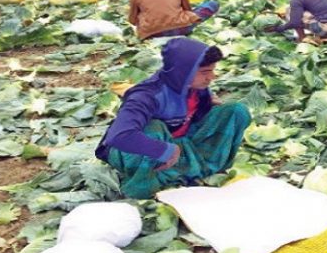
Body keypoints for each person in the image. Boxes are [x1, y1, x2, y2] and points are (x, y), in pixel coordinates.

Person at [95, 38, 252, 199]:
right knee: (154, 127)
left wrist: (208, 105)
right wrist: (166, 150)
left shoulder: (194, 87)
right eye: (205, 72)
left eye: (212, 70)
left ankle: (202, 167)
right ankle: (145, 186)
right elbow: (119, 136)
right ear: (183, 72)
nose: (211, 77)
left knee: (236, 111)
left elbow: (196, 112)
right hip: (138, 149)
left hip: (179, 139)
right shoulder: (146, 96)